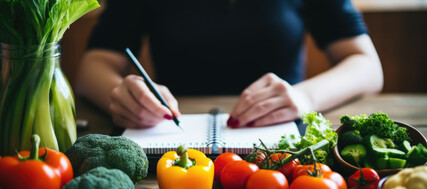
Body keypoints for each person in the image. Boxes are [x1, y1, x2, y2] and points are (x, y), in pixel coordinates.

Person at [76, 0, 383, 129]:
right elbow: (93, 65)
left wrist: (306, 97)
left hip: (282, 148)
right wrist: (120, 93)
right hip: (169, 147)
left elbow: (366, 65)